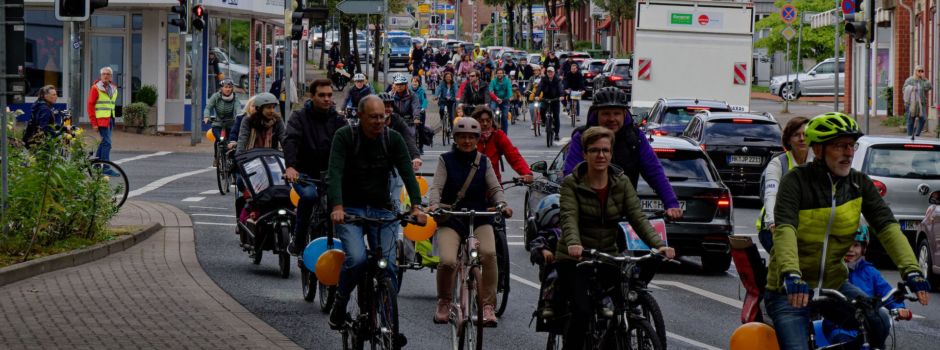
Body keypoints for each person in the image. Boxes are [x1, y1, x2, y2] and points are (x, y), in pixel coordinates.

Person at [763, 112, 930, 350]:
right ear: (818, 150)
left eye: (851, 146)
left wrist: (912, 271)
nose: (849, 153)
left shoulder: (858, 184)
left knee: (879, 320)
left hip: (835, 285)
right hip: (790, 289)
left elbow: (887, 226)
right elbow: (785, 229)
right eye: (840, 146)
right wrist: (791, 275)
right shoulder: (796, 181)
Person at [554, 126, 676, 349]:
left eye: (605, 150)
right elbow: (569, 217)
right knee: (582, 311)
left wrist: (659, 246)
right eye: (594, 150)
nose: (600, 155)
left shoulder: (621, 182)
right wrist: (573, 243)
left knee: (623, 304)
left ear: (611, 154)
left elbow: (637, 218)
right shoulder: (572, 183)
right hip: (576, 258)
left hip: (607, 255)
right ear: (585, 154)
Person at [327, 95, 427, 329]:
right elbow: (335, 174)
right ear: (360, 116)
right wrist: (337, 207)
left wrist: (416, 206)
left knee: (389, 265)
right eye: (373, 117)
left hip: (382, 210)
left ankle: (388, 324)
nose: (379, 121)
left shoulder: (393, 139)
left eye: (383, 116)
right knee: (358, 259)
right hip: (350, 210)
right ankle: (340, 303)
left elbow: (408, 174)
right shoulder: (345, 137)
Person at [428, 117, 511, 327]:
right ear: (455, 138)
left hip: (480, 216)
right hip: (452, 218)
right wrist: (434, 205)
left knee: (490, 255)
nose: (467, 141)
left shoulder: (484, 161)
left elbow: (494, 188)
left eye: (471, 137)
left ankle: (487, 306)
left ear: (477, 139)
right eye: (462, 137)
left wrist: (501, 203)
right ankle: (444, 301)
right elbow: (436, 187)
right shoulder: (445, 160)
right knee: (447, 260)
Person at [562, 87, 683, 220]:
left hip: (626, 214)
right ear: (596, 114)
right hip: (589, 214)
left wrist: (671, 203)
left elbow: (654, 171)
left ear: (625, 114)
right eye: (606, 114)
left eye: (616, 113)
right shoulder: (582, 137)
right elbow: (571, 174)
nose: (612, 119)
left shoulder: (635, 137)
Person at [283, 79, 348, 255]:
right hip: (304, 174)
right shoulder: (299, 117)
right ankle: (299, 240)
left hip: (330, 175)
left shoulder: (338, 120)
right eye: (322, 95)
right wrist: (290, 167)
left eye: (329, 95)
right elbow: (291, 141)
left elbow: (349, 145)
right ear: (312, 97)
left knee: (343, 203)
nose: (327, 99)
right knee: (310, 196)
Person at [817, 226, 912, 345]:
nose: (850, 249)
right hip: (840, 327)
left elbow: (886, 291)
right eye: (846, 245)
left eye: (856, 245)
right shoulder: (831, 272)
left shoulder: (871, 272)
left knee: (879, 340)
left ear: (864, 248)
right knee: (841, 343)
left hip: (867, 327)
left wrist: (899, 307)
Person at [757, 117, 813, 252]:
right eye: (796, 135)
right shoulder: (778, 164)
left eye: (805, 135)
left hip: (805, 229)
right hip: (775, 227)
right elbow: (771, 195)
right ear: (788, 140)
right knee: (787, 260)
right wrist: (772, 223)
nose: (801, 138)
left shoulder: (817, 163)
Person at [469, 106, 534, 183]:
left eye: (488, 120)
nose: (485, 123)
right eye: (481, 121)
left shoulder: (498, 135)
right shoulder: (468, 136)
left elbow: (513, 155)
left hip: (493, 184)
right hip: (471, 183)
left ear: (492, 121)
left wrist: (526, 173)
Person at [86, 66, 119, 176]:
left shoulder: (113, 88)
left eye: (108, 74)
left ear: (111, 77)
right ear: (100, 76)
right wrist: (94, 123)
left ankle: (95, 164)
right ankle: (105, 167)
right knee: (107, 143)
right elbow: (90, 106)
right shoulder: (96, 88)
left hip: (110, 119)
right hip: (101, 121)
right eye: (103, 74)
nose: (105, 76)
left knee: (104, 142)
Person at [203, 79, 242, 151]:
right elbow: (208, 108)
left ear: (232, 88)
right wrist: (206, 116)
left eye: (230, 87)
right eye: (226, 87)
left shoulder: (235, 98)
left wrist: (239, 117)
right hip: (218, 123)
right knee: (220, 140)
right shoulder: (216, 97)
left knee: (232, 141)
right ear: (221, 88)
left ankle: (230, 157)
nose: (228, 89)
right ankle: (216, 158)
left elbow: (238, 108)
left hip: (230, 123)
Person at [534, 67, 564, 140]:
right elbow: (539, 87)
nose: (550, 73)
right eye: (548, 72)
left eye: (551, 72)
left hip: (555, 99)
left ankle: (556, 134)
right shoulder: (544, 79)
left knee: (556, 116)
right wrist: (537, 95)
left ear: (554, 72)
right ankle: (544, 121)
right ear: (546, 73)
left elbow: (560, 88)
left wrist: (561, 96)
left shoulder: (557, 80)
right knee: (542, 110)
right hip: (546, 99)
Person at [903, 65, 932, 138]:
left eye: (922, 71)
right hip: (910, 103)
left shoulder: (923, 80)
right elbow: (904, 89)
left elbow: (929, 87)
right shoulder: (910, 80)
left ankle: (917, 135)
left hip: (921, 104)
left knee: (923, 119)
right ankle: (909, 136)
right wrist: (911, 88)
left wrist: (925, 79)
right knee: (911, 120)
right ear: (915, 71)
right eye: (919, 71)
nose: (920, 72)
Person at [488, 68, 513, 133]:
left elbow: (509, 89)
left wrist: (510, 96)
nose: (499, 74)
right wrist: (495, 97)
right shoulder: (493, 81)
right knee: (492, 111)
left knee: (504, 117)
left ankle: (505, 133)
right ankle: (492, 129)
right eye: (498, 73)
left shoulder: (507, 81)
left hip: (505, 100)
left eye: (501, 73)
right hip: (495, 99)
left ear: (503, 74)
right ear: (496, 74)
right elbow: (490, 90)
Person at [411, 76, 429, 153]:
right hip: (411, 112)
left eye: (416, 82)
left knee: (421, 130)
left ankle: (421, 147)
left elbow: (425, 100)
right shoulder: (409, 91)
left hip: (421, 111)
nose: (414, 83)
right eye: (413, 81)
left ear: (419, 83)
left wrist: (423, 108)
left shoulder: (422, 91)